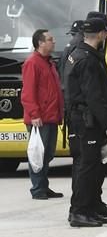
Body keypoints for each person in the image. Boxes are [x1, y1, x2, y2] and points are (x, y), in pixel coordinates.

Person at [66, 17, 107, 227]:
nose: (106, 35)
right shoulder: (87, 59)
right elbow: (93, 97)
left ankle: (88, 207)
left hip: (82, 119)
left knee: (89, 166)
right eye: (105, 32)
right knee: (86, 167)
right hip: (87, 121)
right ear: (100, 34)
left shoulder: (77, 53)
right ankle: (79, 212)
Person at [21, 29, 64, 200]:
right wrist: (34, 114)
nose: (53, 42)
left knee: (47, 153)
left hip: (50, 116)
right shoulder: (33, 63)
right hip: (40, 118)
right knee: (38, 153)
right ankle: (38, 188)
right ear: (40, 43)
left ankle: (43, 186)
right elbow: (28, 92)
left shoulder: (49, 63)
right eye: (50, 39)